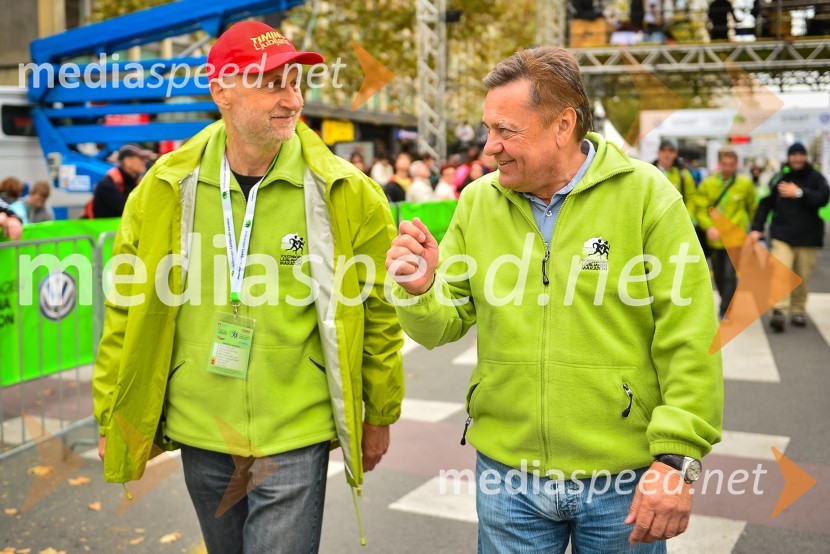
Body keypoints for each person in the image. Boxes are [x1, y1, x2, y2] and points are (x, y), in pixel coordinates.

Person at [387, 46, 722, 553]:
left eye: (506, 131)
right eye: (488, 129)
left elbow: (691, 336)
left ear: (563, 125)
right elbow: (441, 326)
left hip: (623, 482)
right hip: (508, 481)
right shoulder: (477, 202)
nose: (488, 148)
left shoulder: (647, 197)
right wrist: (419, 290)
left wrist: (677, 459)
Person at [93, 21, 404, 553]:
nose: (293, 99)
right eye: (272, 83)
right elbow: (125, 311)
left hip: (293, 432)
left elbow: (377, 312)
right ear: (221, 91)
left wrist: (379, 413)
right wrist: (110, 415)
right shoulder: (164, 187)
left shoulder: (345, 191)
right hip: (200, 428)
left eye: (296, 82)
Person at [750, 143, 830, 331]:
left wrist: (799, 193)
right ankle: (778, 310)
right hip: (782, 236)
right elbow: (765, 203)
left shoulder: (816, 178)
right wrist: (757, 227)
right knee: (780, 273)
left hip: (807, 238)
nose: (797, 158)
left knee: (802, 277)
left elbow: (822, 198)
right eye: (793, 154)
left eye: (800, 154)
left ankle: (798, 310)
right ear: (788, 157)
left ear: (805, 157)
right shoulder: (781, 178)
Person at [693, 150, 757, 318]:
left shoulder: (745, 184)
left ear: (737, 165)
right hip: (715, 240)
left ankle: (726, 307)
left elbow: (752, 208)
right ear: (719, 164)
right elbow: (700, 209)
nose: (728, 168)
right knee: (719, 275)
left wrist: (757, 230)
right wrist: (708, 227)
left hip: (735, 239)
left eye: (731, 165)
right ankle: (725, 299)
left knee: (730, 274)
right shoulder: (708, 184)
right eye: (725, 164)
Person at [89, 145, 152, 218]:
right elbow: (128, 210)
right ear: (128, 161)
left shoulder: (133, 181)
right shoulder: (109, 184)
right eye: (141, 158)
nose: (145, 162)